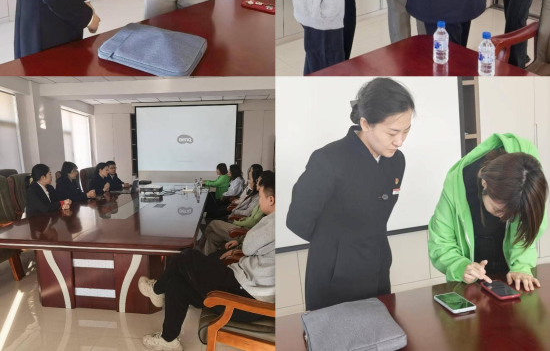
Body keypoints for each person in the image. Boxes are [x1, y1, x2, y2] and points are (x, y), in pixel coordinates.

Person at [287, 78, 414, 311]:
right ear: (365, 124)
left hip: (378, 265)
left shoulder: (396, 160)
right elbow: (297, 220)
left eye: (406, 131)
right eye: (392, 132)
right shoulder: (328, 159)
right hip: (335, 273)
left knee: (380, 325)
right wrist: (336, 247)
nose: (400, 141)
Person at [139, 170, 275, 350]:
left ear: (271, 200)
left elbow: (249, 246)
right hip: (243, 285)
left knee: (187, 256)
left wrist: (248, 239)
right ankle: (168, 339)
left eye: (261, 197)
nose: (259, 200)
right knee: (177, 282)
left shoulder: (275, 222)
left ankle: (157, 290)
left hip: (245, 298)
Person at [429, 133, 548, 292]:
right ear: (484, 183)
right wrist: (460, 266)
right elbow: (441, 243)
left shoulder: (527, 177)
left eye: (512, 215)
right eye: (499, 210)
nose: (505, 218)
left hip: (512, 279)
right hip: (471, 284)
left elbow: (528, 228)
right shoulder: (456, 185)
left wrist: (521, 266)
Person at [198, 173, 267, 255]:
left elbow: (253, 221)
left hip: (243, 231)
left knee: (213, 223)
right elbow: (251, 217)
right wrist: (243, 218)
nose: (254, 182)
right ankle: (204, 257)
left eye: (257, 181)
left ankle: (199, 246)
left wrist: (236, 222)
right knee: (212, 236)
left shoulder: (261, 200)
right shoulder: (257, 196)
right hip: (243, 225)